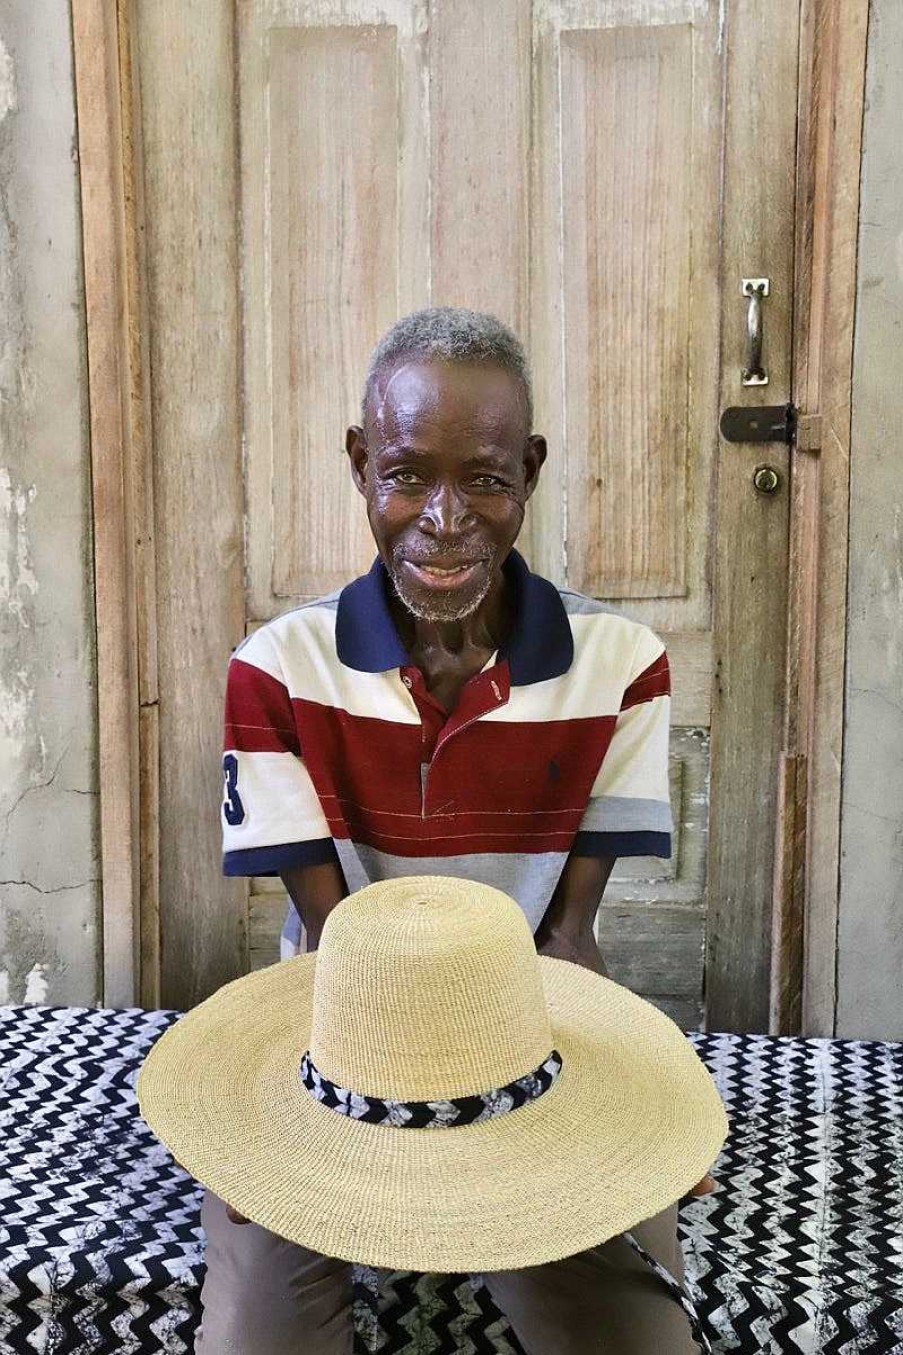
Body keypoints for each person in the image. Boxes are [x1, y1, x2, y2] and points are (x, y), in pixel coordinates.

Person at [211, 307, 713, 1352]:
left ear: (529, 471)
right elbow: (328, 944)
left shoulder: (619, 663)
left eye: (485, 478)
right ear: (360, 465)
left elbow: (567, 939)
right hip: (336, 1050)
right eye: (405, 474)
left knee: (636, 1333)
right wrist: (264, 1150)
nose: (444, 519)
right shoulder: (276, 671)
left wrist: (632, 1128)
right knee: (259, 1334)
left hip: (523, 1042)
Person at [140, 878, 726, 1355]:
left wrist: (647, 1154)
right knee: (256, 1338)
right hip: (353, 1042)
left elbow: (572, 931)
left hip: (517, 1053)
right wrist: (266, 1169)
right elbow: (320, 918)